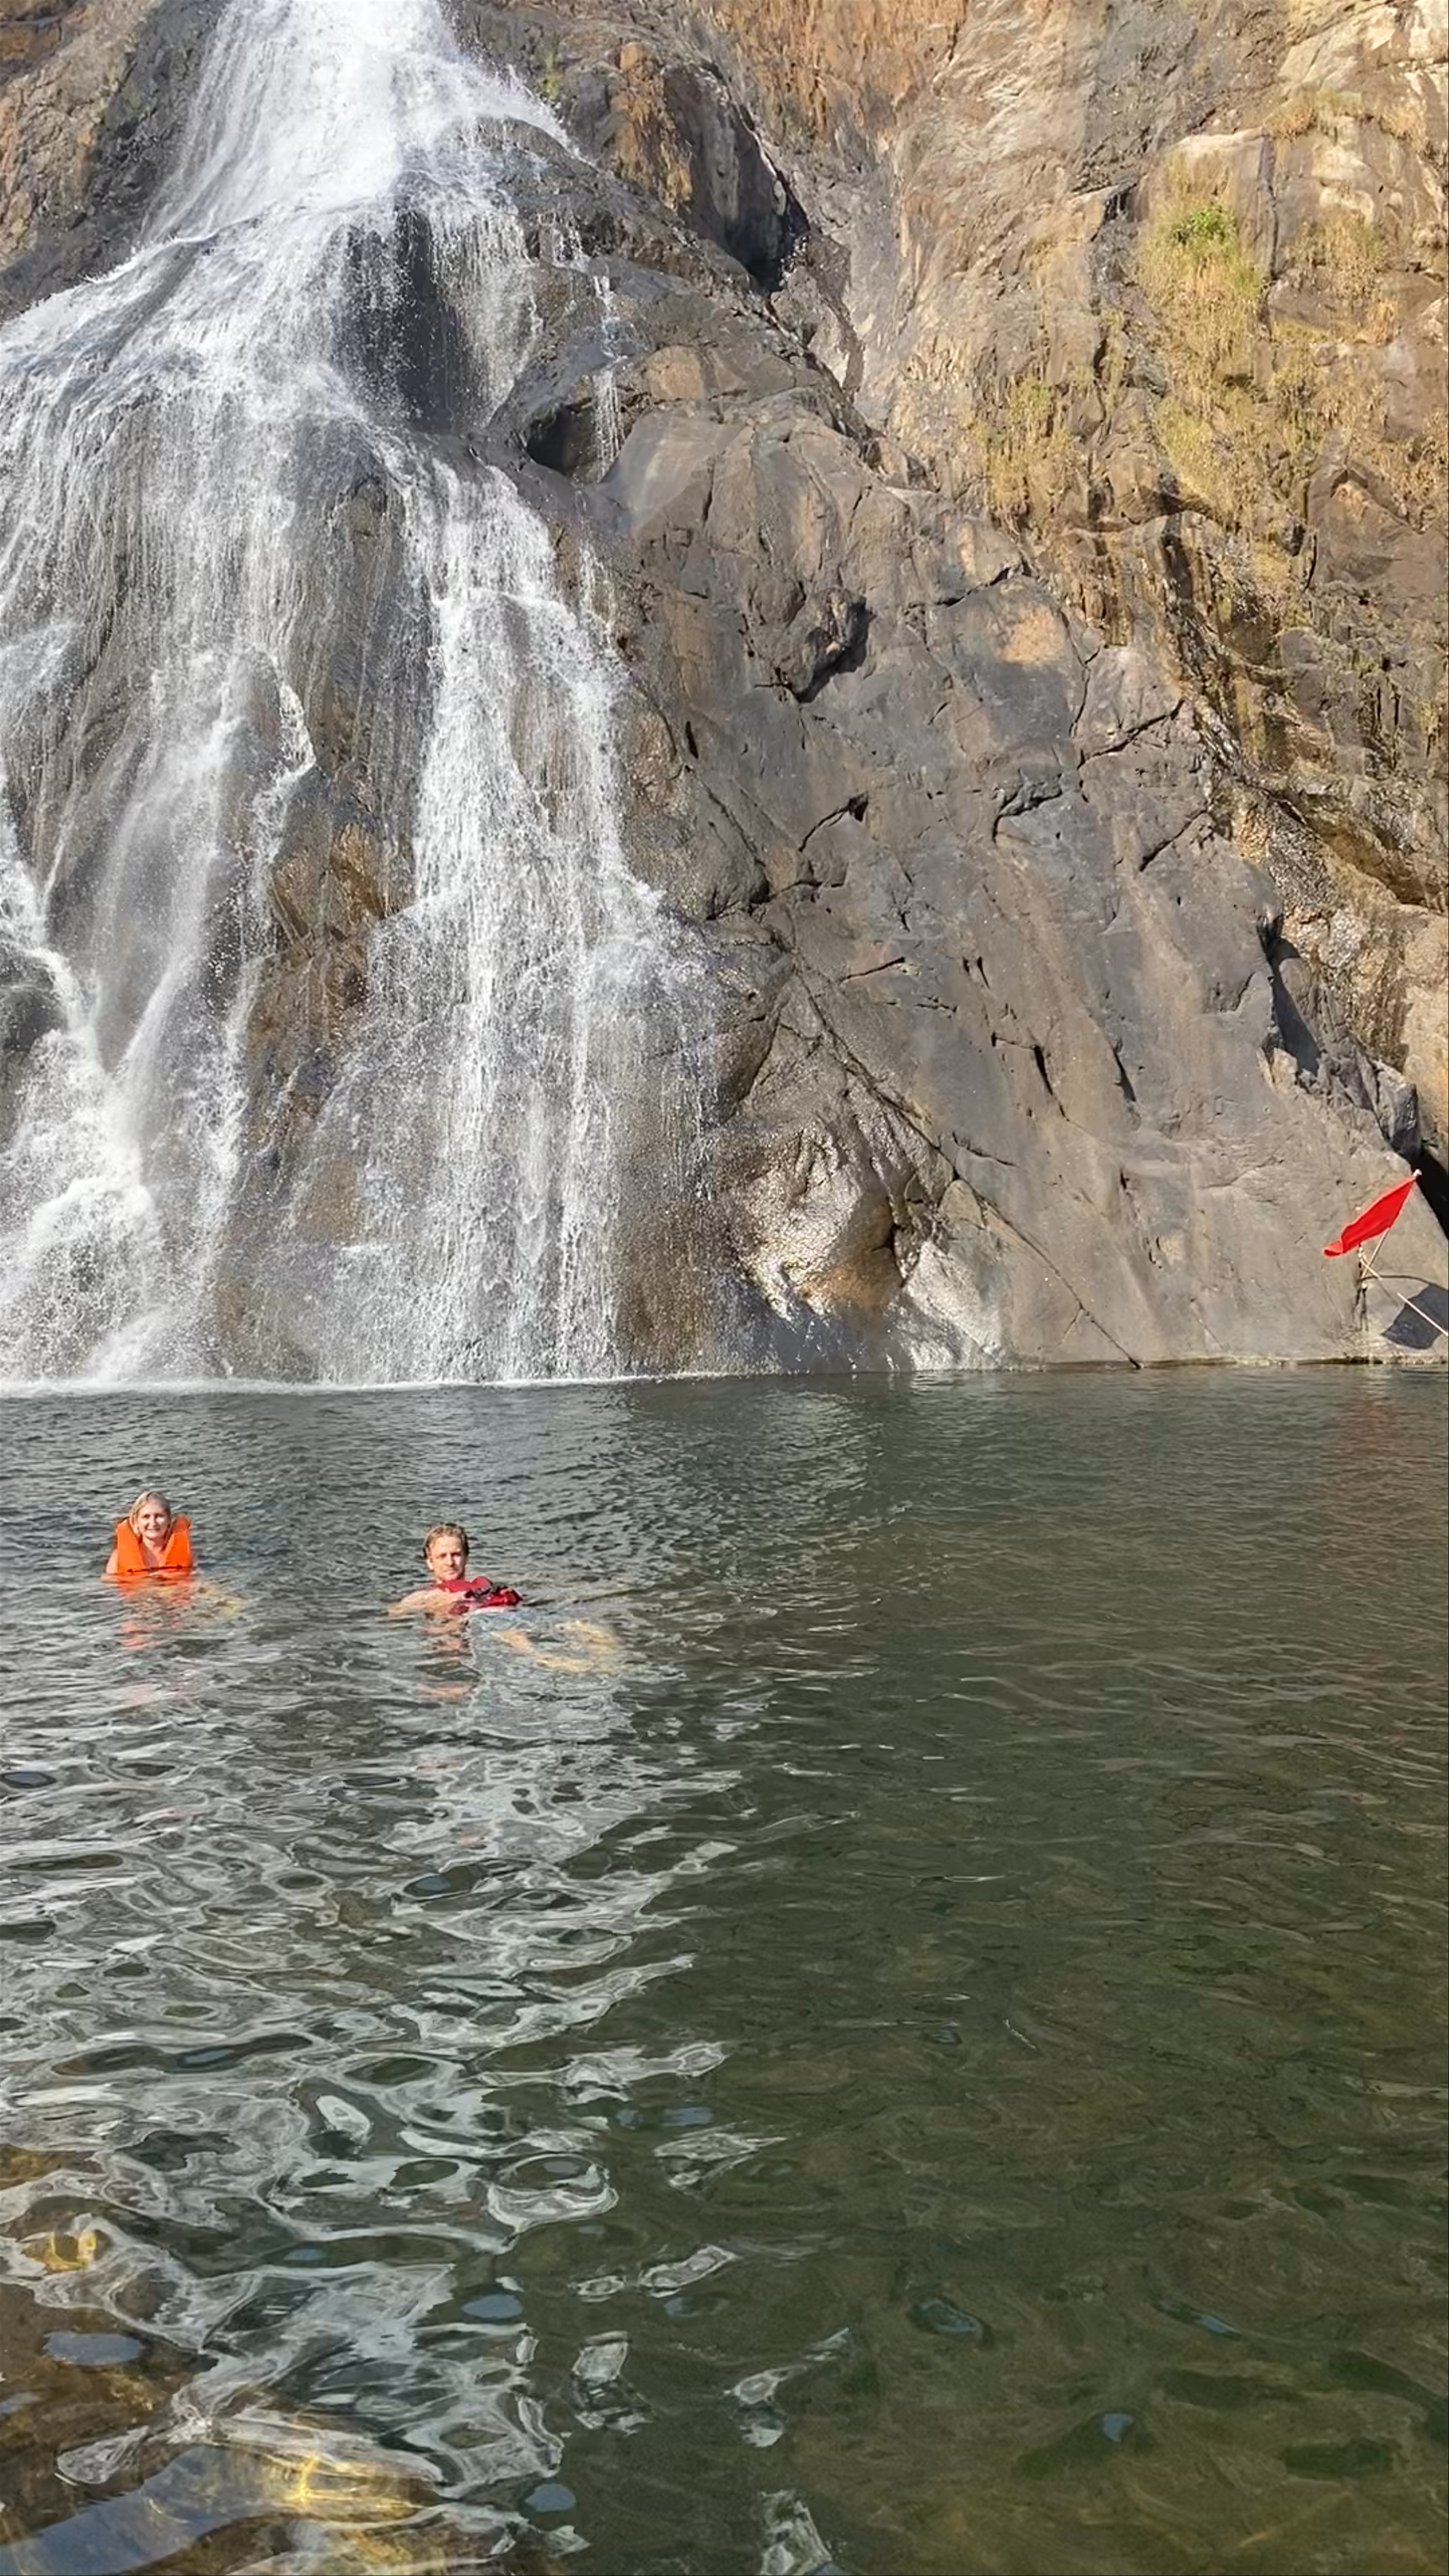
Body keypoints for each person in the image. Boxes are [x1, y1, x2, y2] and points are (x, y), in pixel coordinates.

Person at [389, 1523, 523, 1616]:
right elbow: (394, 1614)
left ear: (466, 1558)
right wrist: (435, 1602)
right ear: (430, 1562)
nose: (450, 1563)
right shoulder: (423, 1597)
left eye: (456, 1555)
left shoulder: (485, 1590)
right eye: (442, 1556)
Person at [105, 1490, 194, 1581]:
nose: (153, 1523)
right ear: (136, 1522)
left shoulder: (185, 1552)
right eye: (146, 1517)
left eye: (159, 1516)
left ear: (169, 1520)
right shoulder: (118, 1558)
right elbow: (110, 1588)